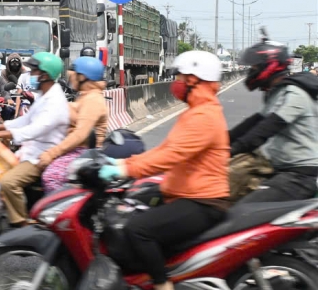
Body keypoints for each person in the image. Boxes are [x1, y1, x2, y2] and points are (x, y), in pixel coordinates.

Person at [98, 51, 229, 290]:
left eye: (179, 76)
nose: (175, 82)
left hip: (203, 201)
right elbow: (165, 150)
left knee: (138, 230)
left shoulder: (204, 116)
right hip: (185, 192)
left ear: (193, 80)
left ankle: (162, 285)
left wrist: (125, 168)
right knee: (133, 200)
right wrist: (125, 164)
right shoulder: (196, 111)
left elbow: (170, 156)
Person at [0, 52, 69, 226]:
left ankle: (22, 224)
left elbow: (33, 130)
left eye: (34, 72)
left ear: (45, 75)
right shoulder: (44, 95)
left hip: (40, 156)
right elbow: (25, 120)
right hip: (31, 150)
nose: (31, 76)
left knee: (8, 182)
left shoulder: (55, 102)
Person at [228, 38, 318, 203]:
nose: (251, 71)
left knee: (244, 212)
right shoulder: (276, 93)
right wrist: (217, 143)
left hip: (300, 175)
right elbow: (252, 124)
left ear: (269, 67)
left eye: (254, 67)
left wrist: (227, 152)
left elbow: (263, 131)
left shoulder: (294, 94)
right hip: (277, 168)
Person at [39, 56, 108, 193]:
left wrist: (52, 153)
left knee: (51, 177)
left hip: (84, 153)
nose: (71, 79)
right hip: (76, 149)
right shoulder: (85, 96)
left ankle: (58, 212)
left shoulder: (93, 100)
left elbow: (80, 134)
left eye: (74, 75)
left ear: (82, 77)